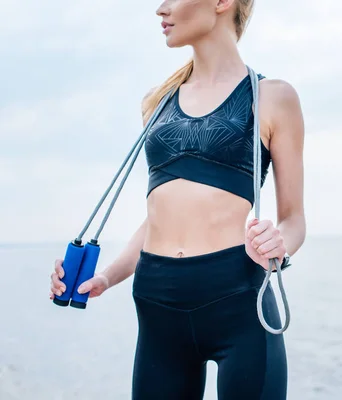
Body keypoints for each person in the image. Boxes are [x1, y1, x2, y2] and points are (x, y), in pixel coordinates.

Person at [49, 0, 306, 398]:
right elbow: (160, 217)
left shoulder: (271, 97)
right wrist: (105, 277)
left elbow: (294, 220)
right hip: (157, 301)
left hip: (238, 300)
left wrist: (280, 243)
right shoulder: (159, 103)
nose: (161, 9)